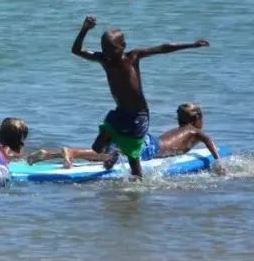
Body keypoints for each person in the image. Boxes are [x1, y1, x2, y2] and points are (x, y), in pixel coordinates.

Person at [71, 15, 209, 178]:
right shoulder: (104, 60)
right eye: (104, 49)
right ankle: (116, 151)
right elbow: (76, 50)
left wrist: (192, 44)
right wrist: (85, 29)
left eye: (111, 49)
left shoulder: (132, 57)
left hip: (138, 115)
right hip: (120, 112)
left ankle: (136, 193)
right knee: (97, 147)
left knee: (133, 160)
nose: (107, 53)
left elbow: (164, 48)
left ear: (123, 46)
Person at [28, 103, 220, 168]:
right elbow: (209, 140)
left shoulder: (179, 130)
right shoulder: (194, 131)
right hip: (151, 148)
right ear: (198, 119)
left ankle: (50, 154)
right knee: (109, 156)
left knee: (105, 152)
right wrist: (218, 161)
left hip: (147, 139)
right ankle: (72, 152)